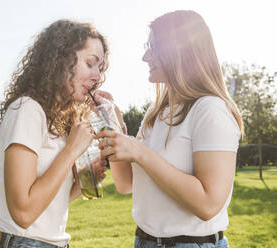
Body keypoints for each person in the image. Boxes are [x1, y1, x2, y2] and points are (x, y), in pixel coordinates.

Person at [95, 10, 243, 248]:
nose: (145, 56)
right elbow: (125, 184)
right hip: (144, 241)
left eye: (153, 47)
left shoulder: (210, 110)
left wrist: (140, 152)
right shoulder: (156, 114)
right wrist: (112, 122)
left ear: (180, 51)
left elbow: (208, 204)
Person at [0, 20, 108, 248]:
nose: (97, 77)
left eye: (100, 68)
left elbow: (48, 202)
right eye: (90, 63)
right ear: (61, 60)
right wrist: (72, 150)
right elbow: (23, 213)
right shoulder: (27, 109)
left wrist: (80, 183)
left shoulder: (56, 118)